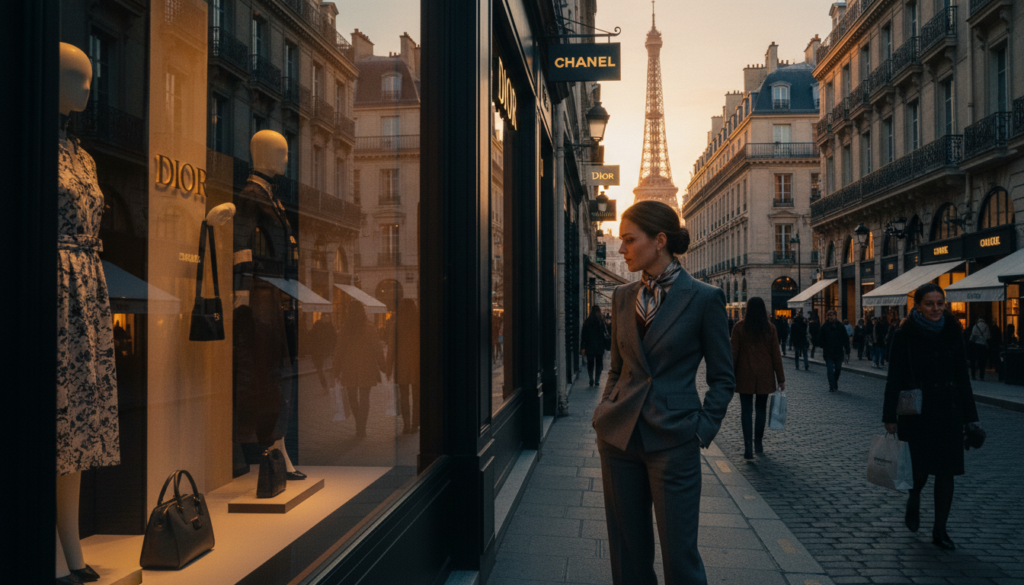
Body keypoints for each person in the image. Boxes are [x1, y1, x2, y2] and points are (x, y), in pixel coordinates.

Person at [592, 200, 735, 585]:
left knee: (680, 559)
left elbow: (724, 377)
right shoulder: (622, 297)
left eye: (628, 240)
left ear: (659, 240)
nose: (621, 249)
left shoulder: (705, 298)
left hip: (674, 440)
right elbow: (617, 367)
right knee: (628, 557)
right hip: (619, 439)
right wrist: (604, 412)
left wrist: (701, 430)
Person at [883, 283, 980, 551]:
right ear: (917, 306)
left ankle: (940, 529)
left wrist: (971, 417)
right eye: (930, 303)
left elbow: (963, 377)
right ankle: (914, 497)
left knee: (946, 472)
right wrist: (889, 415)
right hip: (917, 413)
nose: (936, 308)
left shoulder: (953, 331)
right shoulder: (905, 335)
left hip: (949, 411)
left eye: (940, 303)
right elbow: (894, 378)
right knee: (921, 470)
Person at [730, 297, 785, 459]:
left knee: (746, 411)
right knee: (761, 410)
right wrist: (781, 378)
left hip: (744, 374)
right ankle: (758, 443)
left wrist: (729, 375)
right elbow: (776, 355)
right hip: (765, 375)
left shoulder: (739, 327)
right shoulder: (770, 328)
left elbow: (733, 355)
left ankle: (748, 446)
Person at [334, 303, 385, 438]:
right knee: (364, 398)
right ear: (363, 312)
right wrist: (383, 366)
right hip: (367, 367)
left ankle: (359, 422)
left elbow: (339, 350)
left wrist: (336, 369)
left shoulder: (345, 329)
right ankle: (362, 427)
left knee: (352, 398)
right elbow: (377, 348)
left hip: (349, 367)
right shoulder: (369, 328)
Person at [819, 310, 850, 392]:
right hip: (828, 352)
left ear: (836, 316)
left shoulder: (840, 326)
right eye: (829, 315)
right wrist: (823, 345)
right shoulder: (824, 326)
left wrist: (847, 350)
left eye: (833, 315)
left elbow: (845, 338)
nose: (831, 317)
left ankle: (835, 381)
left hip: (838, 351)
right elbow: (820, 338)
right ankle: (832, 385)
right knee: (829, 369)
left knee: (838, 368)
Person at [581, 304, 609, 387]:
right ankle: (596, 380)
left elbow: (583, 335)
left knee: (591, 363)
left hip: (590, 346)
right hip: (598, 346)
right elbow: (605, 334)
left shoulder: (587, 321)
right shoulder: (601, 322)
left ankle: (592, 379)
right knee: (598, 364)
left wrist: (583, 347)